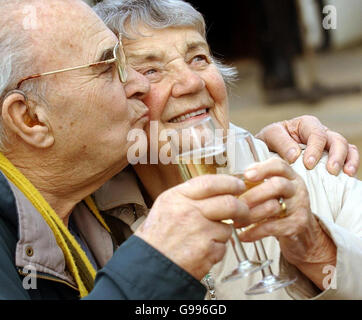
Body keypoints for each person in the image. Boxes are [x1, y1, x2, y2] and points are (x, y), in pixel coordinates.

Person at [0, 0, 354, 301]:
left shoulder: (312, 169)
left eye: (199, 58)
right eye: (149, 70)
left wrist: (316, 249)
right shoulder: (88, 213)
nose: (191, 82)